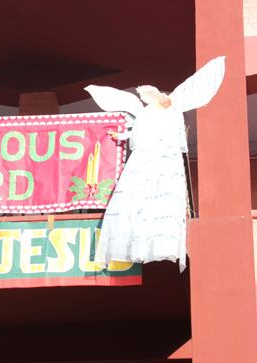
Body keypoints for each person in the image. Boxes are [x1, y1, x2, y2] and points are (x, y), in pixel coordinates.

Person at [85, 56, 225, 272]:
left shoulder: (168, 106)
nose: (143, 97)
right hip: (142, 159)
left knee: (162, 194)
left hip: (162, 156)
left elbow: (169, 104)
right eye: (142, 95)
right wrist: (120, 135)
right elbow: (135, 129)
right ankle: (140, 238)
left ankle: (161, 240)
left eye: (145, 93)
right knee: (138, 197)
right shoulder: (143, 113)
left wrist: (161, 97)